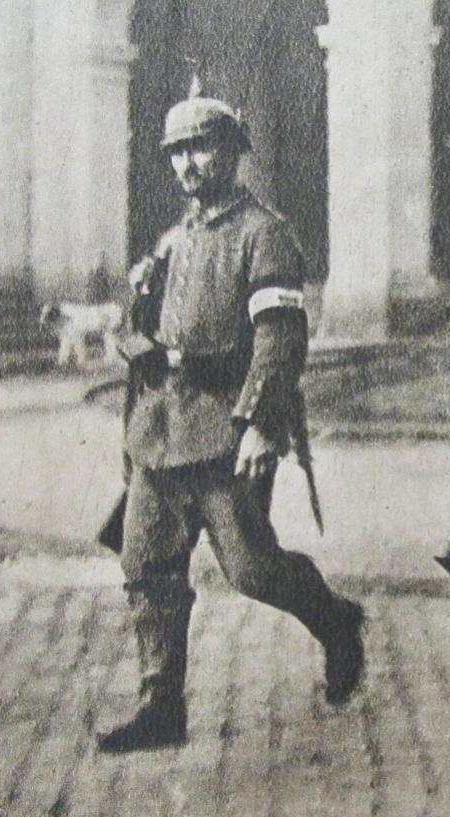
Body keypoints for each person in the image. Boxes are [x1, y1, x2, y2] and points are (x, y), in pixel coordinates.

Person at [96, 80, 365, 754]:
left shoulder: (263, 235)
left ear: (234, 152)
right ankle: (160, 705)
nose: (188, 164)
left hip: (225, 428)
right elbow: (143, 327)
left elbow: (279, 341)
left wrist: (260, 423)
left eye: (203, 148)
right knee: (146, 562)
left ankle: (335, 621)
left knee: (251, 569)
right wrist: (134, 331)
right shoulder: (174, 239)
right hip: (161, 428)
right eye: (177, 152)